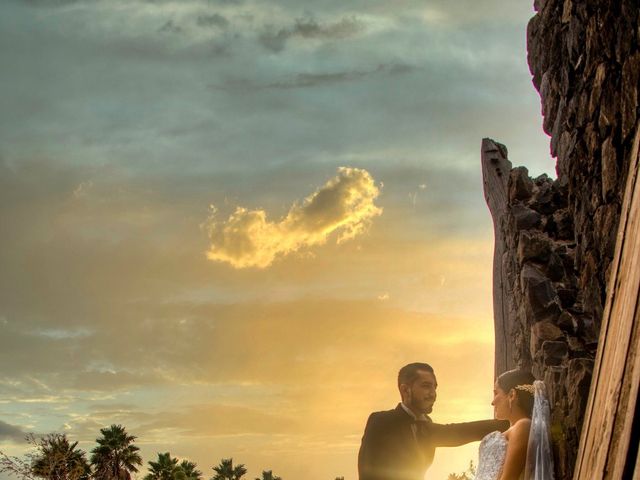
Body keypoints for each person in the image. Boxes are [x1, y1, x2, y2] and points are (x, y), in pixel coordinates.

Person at [358, 362, 509, 480]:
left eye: (435, 387)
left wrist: (513, 421)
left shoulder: (426, 426)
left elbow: (460, 432)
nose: (433, 394)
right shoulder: (381, 421)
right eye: (426, 386)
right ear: (405, 390)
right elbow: (367, 472)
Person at [474, 369, 539, 480]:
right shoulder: (514, 429)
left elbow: (509, 477)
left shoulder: (523, 426)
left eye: (496, 393)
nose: (492, 402)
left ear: (511, 395)